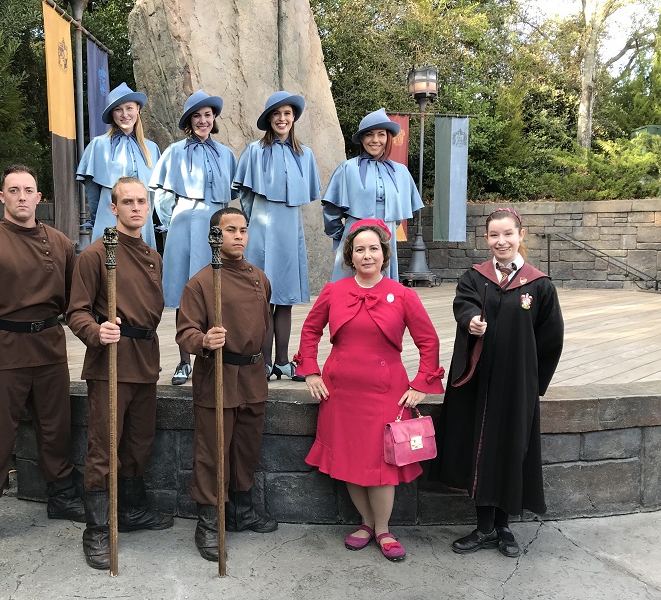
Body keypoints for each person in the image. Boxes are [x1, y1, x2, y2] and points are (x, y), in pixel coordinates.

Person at [293, 218, 444, 562]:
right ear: (350, 256)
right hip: (339, 393)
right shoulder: (334, 291)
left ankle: (383, 529)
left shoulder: (403, 295)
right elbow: (310, 331)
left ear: (384, 254)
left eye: (373, 248)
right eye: (359, 249)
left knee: (381, 467)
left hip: (386, 395)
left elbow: (428, 341)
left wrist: (422, 383)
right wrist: (310, 372)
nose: (366, 255)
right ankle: (364, 523)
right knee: (348, 460)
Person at [0, 164, 84, 562]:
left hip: (48, 347)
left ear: (39, 197)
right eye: (14, 190)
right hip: (2, 350)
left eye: (29, 190)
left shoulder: (60, 243)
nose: (22, 197)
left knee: (56, 427)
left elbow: (76, 296)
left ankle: (61, 495)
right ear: (2, 197)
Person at [432, 207, 564, 558]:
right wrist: (472, 321)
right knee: (480, 450)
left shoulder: (538, 284)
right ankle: (484, 527)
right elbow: (464, 304)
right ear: (487, 239)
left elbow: (552, 339)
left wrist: (534, 383)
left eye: (508, 234)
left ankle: (504, 527)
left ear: (521, 235)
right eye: (494, 235)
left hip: (517, 386)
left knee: (511, 449)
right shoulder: (475, 277)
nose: (501, 241)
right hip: (479, 382)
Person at [67, 176, 173, 570]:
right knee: (104, 447)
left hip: (145, 360)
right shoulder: (96, 254)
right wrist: (96, 330)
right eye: (127, 202)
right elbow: (75, 310)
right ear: (113, 209)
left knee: (139, 442)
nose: (135, 208)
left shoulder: (152, 254)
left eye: (141, 202)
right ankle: (96, 530)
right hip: (110, 362)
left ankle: (131, 510)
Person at [176, 207, 278, 562]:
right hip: (218, 375)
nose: (238, 235)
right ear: (214, 236)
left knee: (246, 448)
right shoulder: (201, 283)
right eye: (230, 230)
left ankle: (241, 511)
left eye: (243, 229)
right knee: (213, 451)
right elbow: (184, 332)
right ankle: (208, 522)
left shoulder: (260, 278)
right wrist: (203, 340)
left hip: (252, 376)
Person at [150, 89, 238, 385]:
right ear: (189, 120)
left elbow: (233, 194)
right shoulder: (175, 151)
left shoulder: (225, 154)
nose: (203, 120)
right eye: (197, 116)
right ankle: (183, 360)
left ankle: (214, 355)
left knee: (216, 290)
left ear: (215, 119)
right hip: (185, 226)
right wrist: (171, 221)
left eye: (208, 115)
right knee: (184, 292)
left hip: (216, 228)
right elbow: (160, 193)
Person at [233, 91, 321, 380]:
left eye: (287, 114)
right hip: (260, 230)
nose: (282, 119)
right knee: (263, 298)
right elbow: (244, 196)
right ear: (269, 119)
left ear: (293, 118)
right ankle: (264, 361)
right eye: (277, 114)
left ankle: (283, 360)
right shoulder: (254, 151)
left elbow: (306, 194)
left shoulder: (304, 154)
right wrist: (254, 223)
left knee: (285, 298)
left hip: (289, 231)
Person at [322, 108, 423, 283]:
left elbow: (398, 218)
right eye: (369, 135)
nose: (375, 140)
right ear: (362, 138)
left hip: (386, 241)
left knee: (384, 295)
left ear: (388, 137)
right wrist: (346, 235)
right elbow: (331, 211)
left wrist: (387, 230)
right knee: (348, 293)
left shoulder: (401, 172)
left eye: (381, 134)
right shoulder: (347, 169)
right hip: (354, 240)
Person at [76, 82, 161, 247]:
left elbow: (153, 195)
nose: (125, 114)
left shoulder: (152, 148)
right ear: (112, 114)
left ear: (137, 109)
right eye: (118, 109)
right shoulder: (98, 145)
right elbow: (92, 191)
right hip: (109, 219)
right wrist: (98, 218)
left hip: (142, 224)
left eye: (129, 108)